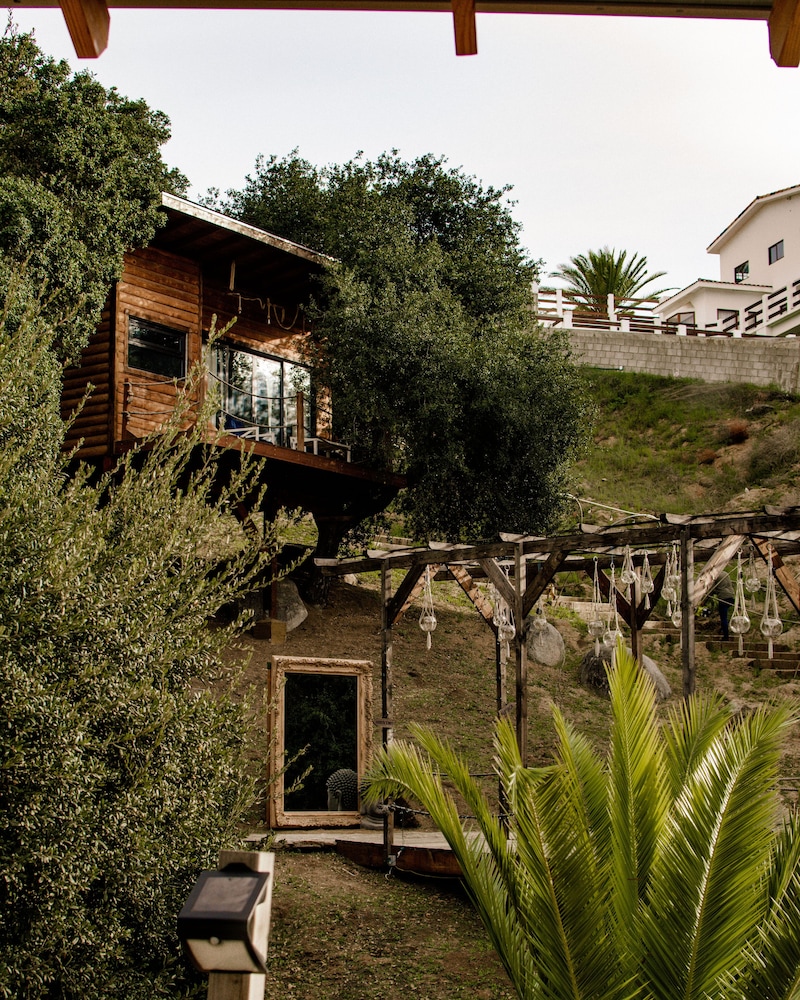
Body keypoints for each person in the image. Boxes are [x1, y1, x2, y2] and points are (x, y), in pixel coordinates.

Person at [711, 571, 735, 641]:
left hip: (723, 598)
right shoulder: (725, 573)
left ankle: (726, 636)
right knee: (725, 616)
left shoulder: (715, 576)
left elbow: (712, 589)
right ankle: (723, 629)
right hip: (731, 596)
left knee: (723, 618)